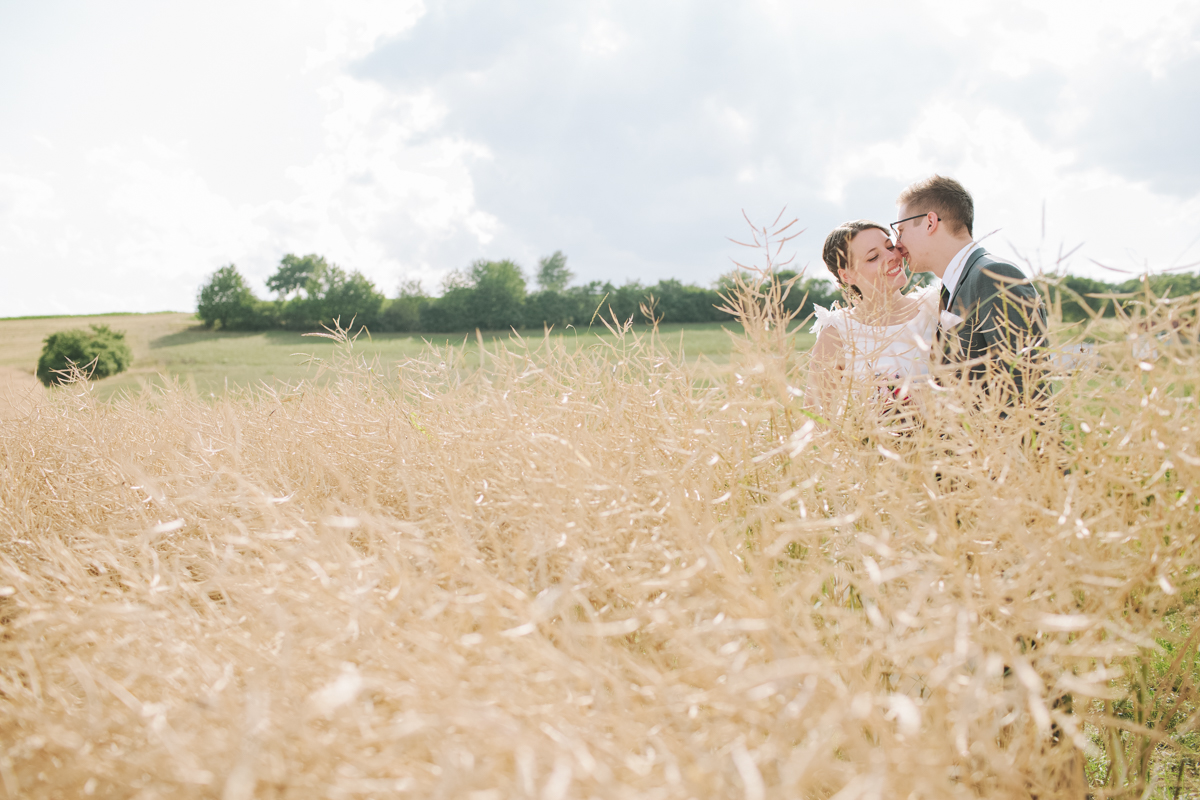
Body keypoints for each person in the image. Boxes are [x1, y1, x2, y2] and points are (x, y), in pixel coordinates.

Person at [892, 175, 1047, 403]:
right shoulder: (951, 287)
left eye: (901, 230)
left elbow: (1024, 390)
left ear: (930, 222)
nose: (897, 243)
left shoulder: (995, 276)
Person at [806, 220, 960, 417]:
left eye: (890, 246)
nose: (892, 256)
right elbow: (815, 414)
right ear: (847, 276)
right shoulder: (837, 333)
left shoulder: (936, 307)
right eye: (873, 257)